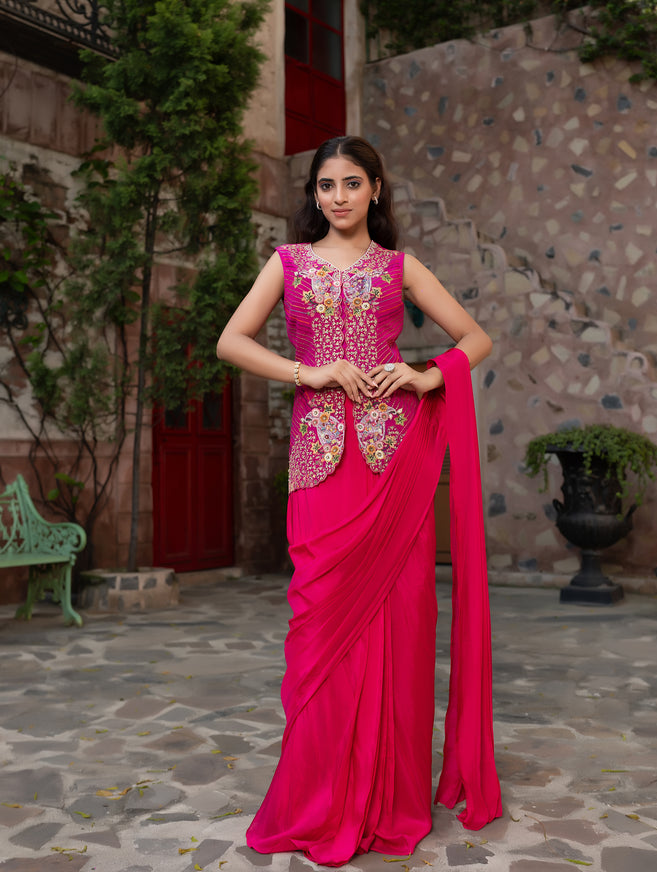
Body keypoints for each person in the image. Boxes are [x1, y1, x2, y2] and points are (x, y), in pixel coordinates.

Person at [216, 135, 502, 866]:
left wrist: (421, 377)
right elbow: (231, 342)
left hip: (392, 462)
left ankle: (390, 799)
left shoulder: (399, 268)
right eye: (324, 186)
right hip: (319, 460)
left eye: (351, 183)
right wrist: (302, 374)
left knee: (401, 625)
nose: (336, 196)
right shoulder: (288, 263)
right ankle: (318, 800)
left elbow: (473, 339)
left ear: (375, 189)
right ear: (313, 196)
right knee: (317, 630)